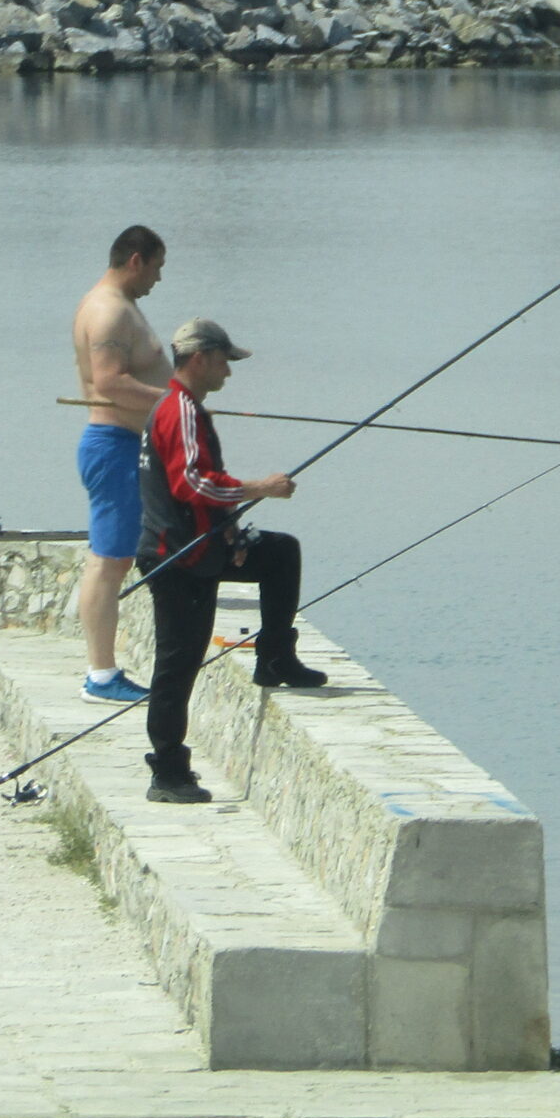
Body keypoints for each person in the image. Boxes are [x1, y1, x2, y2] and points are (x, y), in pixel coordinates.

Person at [136, 317, 326, 805]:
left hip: (202, 547)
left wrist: (233, 533)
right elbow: (191, 484)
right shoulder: (179, 410)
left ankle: (275, 657)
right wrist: (260, 488)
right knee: (177, 665)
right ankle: (168, 772)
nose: (229, 372)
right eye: (224, 361)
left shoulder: (188, 409)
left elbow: (203, 488)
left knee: (279, 552)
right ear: (200, 359)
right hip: (176, 559)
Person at [71, 225, 172, 705]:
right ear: (136, 259)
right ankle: (101, 675)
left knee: (116, 558)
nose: (157, 279)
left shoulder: (121, 306)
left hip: (128, 445)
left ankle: (103, 670)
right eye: (156, 267)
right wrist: (180, 402)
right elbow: (110, 383)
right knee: (109, 560)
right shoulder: (109, 311)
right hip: (113, 445)